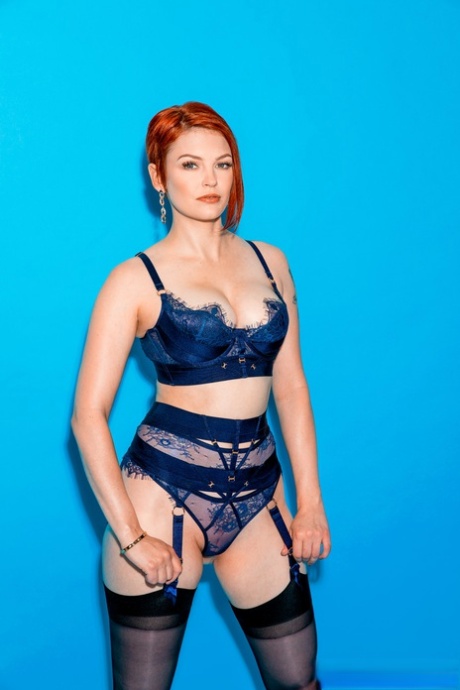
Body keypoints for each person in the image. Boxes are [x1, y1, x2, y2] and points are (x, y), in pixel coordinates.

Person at [72, 101, 331, 690]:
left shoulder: (271, 261)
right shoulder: (133, 280)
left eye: (223, 164)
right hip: (162, 494)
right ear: (158, 176)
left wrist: (311, 501)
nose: (210, 179)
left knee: (299, 682)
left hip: (260, 492)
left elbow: (292, 386)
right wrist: (130, 537)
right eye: (190, 165)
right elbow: (87, 416)